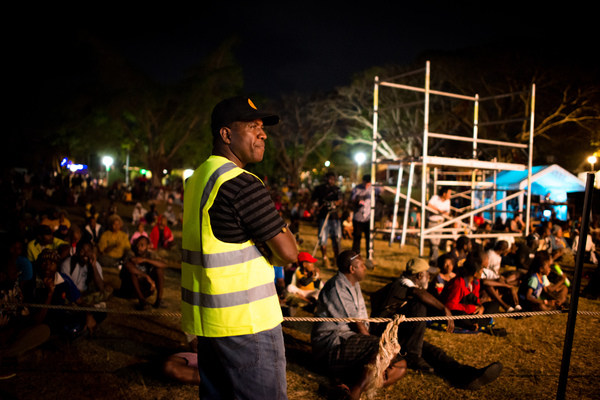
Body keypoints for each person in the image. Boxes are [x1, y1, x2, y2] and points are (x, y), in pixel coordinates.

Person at [181, 96, 298, 400]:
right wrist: (273, 233)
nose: (263, 134)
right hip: (247, 323)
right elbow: (288, 252)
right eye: (252, 127)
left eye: (263, 128)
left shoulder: (198, 179)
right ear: (226, 134)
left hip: (210, 324)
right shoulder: (241, 183)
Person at [370, 258, 503, 389]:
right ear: (420, 274)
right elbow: (417, 292)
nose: (429, 277)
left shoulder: (403, 285)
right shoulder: (403, 283)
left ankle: (469, 375)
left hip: (400, 336)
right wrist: (444, 309)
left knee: (436, 353)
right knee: (420, 304)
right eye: (428, 274)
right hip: (386, 337)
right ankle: (413, 355)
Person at [311, 250, 406, 399]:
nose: (365, 268)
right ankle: (356, 391)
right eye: (361, 265)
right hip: (332, 345)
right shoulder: (337, 287)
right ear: (352, 269)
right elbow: (357, 323)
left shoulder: (353, 285)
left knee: (401, 367)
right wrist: (377, 348)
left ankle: (345, 386)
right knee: (384, 348)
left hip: (350, 342)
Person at [439, 252, 500, 332]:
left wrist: (480, 307)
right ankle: (474, 323)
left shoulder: (476, 281)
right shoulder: (458, 284)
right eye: (481, 270)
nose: (482, 272)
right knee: (461, 315)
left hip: (470, 311)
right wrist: (471, 308)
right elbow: (449, 306)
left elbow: (475, 299)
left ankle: (474, 323)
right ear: (475, 273)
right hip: (458, 311)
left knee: (494, 305)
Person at [120, 236, 167, 310]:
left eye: (142, 245)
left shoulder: (150, 254)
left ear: (148, 246)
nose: (139, 247)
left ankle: (159, 300)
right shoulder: (131, 252)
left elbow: (164, 264)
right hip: (130, 290)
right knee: (132, 272)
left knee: (159, 269)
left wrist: (145, 260)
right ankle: (142, 301)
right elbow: (127, 265)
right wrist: (146, 276)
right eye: (137, 245)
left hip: (145, 290)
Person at [59, 241, 110, 305]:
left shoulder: (96, 264)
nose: (86, 254)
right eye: (82, 251)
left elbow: (101, 287)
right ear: (77, 253)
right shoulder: (67, 264)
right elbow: (66, 288)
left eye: (88, 251)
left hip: (88, 294)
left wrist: (93, 266)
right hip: (74, 296)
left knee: (108, 290)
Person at [311, 171, 342, 268]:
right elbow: (313, 199)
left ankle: (336, 259)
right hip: (323, 216)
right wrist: (316, 207)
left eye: (333, 179)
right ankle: (325, 258)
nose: (331, 181)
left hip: (334, 217)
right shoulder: (319, 189)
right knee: (322, 238)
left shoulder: (337, 189)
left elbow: (340, 201)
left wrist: (336, 203)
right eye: (329, 178)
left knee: (336, 238)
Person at [350, 174, 379, 256]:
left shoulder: (374, 189)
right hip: (358, 217)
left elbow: (383, 189)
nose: (367, 186)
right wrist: (357, 201)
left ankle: (369, 255)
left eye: (369, 184)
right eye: (366, 183)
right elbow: (352, 199)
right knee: (357, 237)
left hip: (369, 217)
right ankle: (355, 255)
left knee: (369, 237)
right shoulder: (357, 188)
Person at [427, 188, 452, 263]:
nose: (450, 196)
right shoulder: (435, 198)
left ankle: (432, 261)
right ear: (444, 194)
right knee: (434, 243)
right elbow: (429, 205)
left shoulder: (447, 201)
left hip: (440, 223)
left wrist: (437, 212)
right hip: (432, 222)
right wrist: (439, 211)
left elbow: (447, 213)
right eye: (449, 193)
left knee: (436, 243)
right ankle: (435, 260)